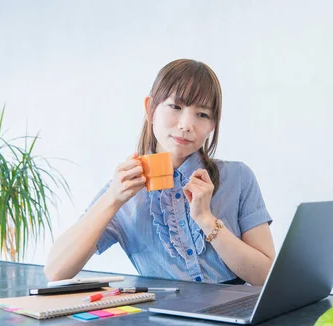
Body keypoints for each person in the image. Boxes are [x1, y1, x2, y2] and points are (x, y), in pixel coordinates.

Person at [45, 59, 275, 286]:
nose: (186, 124)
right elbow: (56, 271)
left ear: (212, 124)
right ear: (150, 108)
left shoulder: (238, 177)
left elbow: (264, 276)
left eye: (202, 114)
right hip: (162, 318)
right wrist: (112, 199)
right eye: (175, 107)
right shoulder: (122, 189)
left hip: (234, 316)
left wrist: (206, 219)